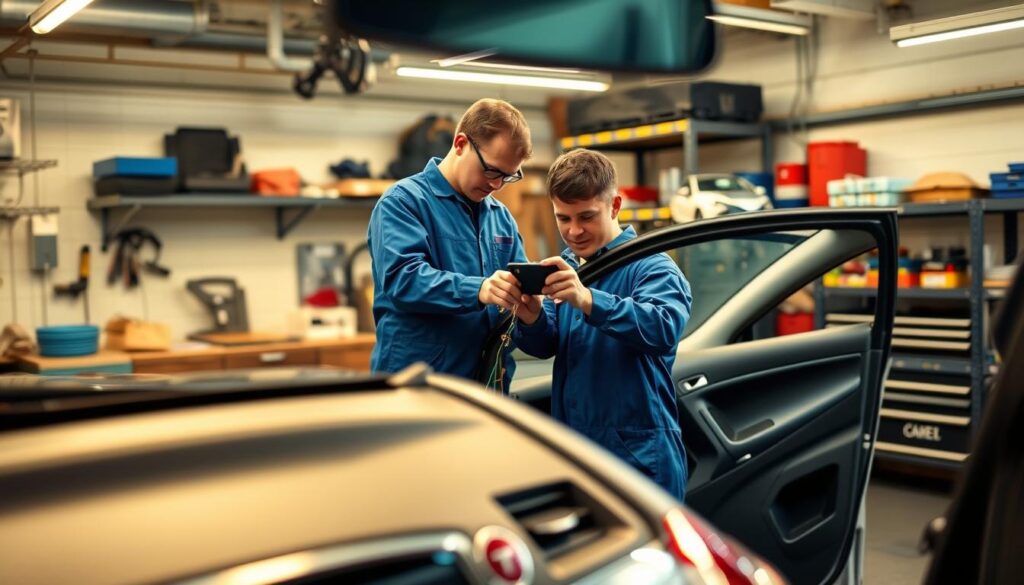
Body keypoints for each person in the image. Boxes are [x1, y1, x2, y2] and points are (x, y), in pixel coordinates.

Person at [514, 149, 693, 500]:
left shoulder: (651, 266)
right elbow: (547, 344)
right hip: (578, 451)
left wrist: (589, 300)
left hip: (639, 456)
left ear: (614, 206)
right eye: (562, 218)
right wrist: (531, 314)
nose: (574, 231)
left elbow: (663, 328)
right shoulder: (566, 267)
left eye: (586, 217)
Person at [367, 99, 531, 385]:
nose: (496, 185)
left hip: (488, 385)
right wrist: (478, 289)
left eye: (508, 176)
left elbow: (519, 297)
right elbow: (403, 279)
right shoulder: (403, 202)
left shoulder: (501, 218)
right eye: (491, 170)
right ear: (460, 144)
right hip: (418, 387)